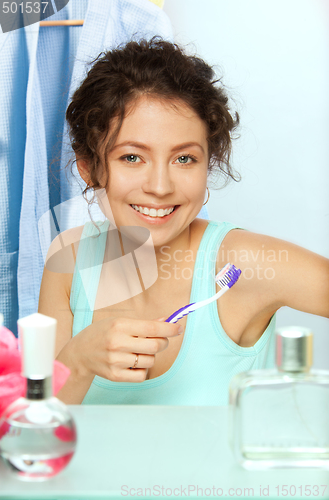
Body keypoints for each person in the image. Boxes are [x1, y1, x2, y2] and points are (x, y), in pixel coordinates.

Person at [38, 37, 329, 406]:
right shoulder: (69, 261)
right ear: (89, 168)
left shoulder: (245, 263)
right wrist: (78, 361)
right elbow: (33, 438)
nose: (160, 187)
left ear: (209, 164)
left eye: (184, 159)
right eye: (131, 157)